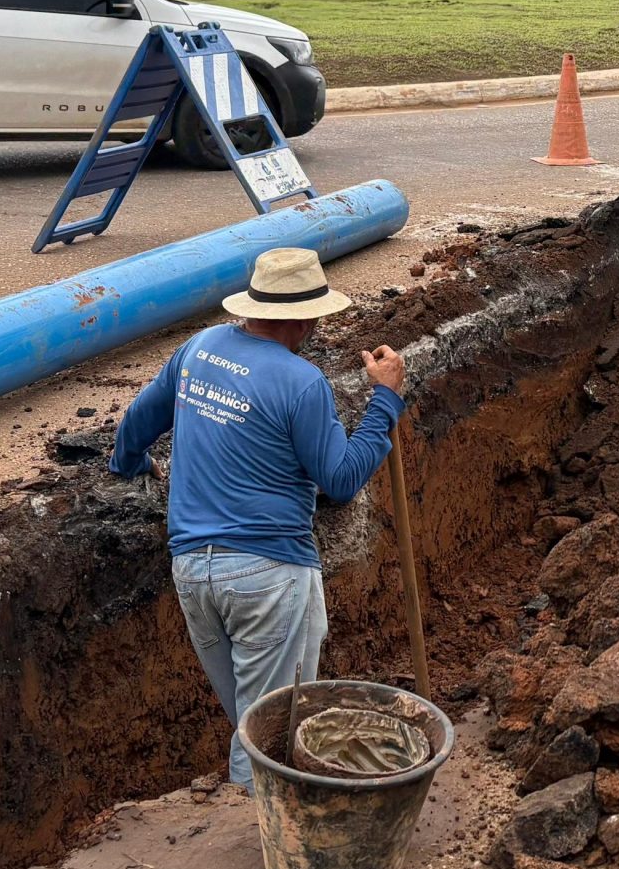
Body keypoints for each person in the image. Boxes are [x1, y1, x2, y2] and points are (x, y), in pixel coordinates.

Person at [109, 246, 407, 787]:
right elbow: (340, 480)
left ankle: (261, 810)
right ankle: (259, 826)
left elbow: (138, 421)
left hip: (192, 573)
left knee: (253, 722)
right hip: (268, 576)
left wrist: (128, 463)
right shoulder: (301, 382)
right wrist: (384, 401)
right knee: (267, 737)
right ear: (308, 318)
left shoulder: (199, 348)